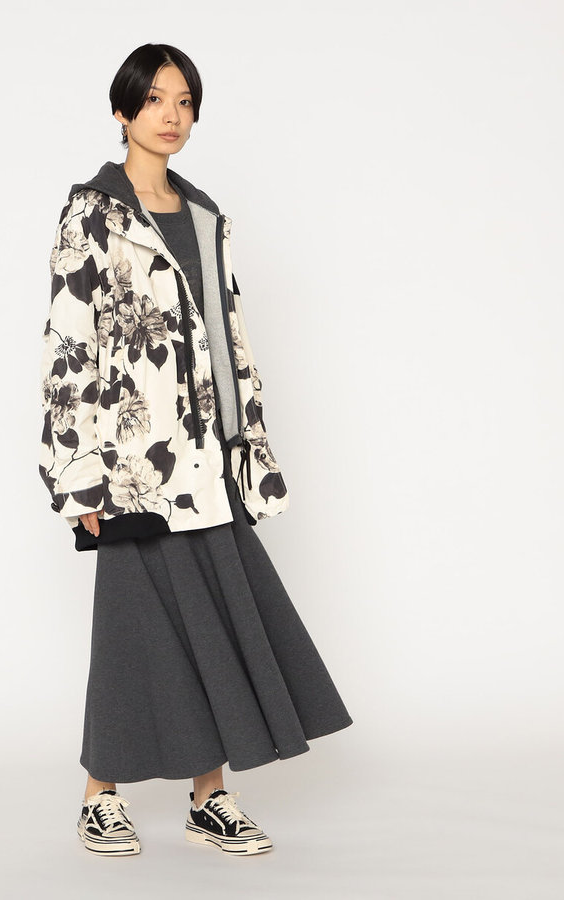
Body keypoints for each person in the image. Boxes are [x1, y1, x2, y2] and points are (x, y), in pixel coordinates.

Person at [39, 43, 353, 857]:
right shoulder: (91, 214)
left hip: (208, 457)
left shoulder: (205, 216)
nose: (171, 116)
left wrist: (248, 444)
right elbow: (68, 347)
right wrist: (77, 476)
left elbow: (227, 336)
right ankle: (99, 798)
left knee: (215, 618)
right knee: (132, 628)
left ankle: (209, 798)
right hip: (132, 463)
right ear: (122, 112)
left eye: (184, 101)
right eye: (154, 100)